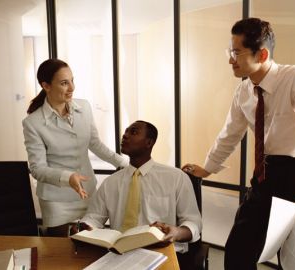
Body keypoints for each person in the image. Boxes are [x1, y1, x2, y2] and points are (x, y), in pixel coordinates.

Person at [182, 18, 295, 270]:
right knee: (237, 251)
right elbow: (229, 135)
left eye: (236, 52)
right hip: (265, 175)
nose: (230, 60)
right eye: (229, 52)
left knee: (292, 260)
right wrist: (206, 169)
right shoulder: (243, 91)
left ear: (262, 53)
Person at [22, 59, 127, 237]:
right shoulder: (33, 123)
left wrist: (124, 162)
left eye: (72, 80)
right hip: (56, 200)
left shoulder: (84, 107)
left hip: (87, 193)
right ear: (46, 85)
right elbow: (37, 169)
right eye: (64, 83)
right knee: (63, 251)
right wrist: (68, 177)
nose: (72, 87)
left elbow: (94, 143)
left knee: (92, 246)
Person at [76, 120, 202, 269]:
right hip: (119, 255)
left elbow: (194, 222)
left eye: (133, 132)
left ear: (149, 142)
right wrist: (84, 227)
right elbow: (94, 217)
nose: (125, 135)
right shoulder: (111, 182)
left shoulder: (176, 178)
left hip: (162, 253)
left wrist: (177, 232)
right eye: (126, 132)